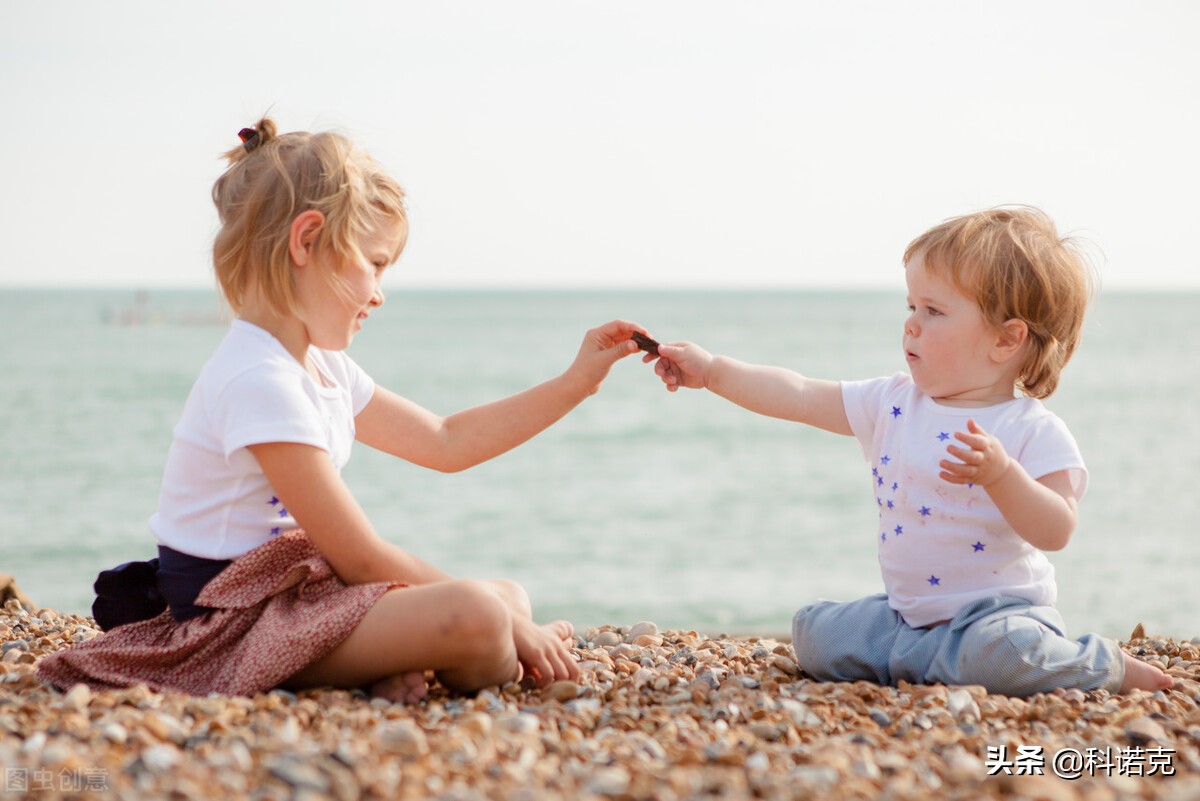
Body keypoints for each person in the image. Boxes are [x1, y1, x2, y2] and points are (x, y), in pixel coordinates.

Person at [37, 118, 647, 703]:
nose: (380, 293)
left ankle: (380, 662)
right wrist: (511, 629)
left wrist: (577, 383)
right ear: (306, 240)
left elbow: (446, 440)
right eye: (374, 264)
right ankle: (366, 666)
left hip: (300, 596)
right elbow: (359, 556)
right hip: (234, 622)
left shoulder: (320, 366)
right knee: (486, 615)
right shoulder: (258, 378)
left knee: (507, 596)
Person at [645, 207, 1173, 697]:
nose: (911, 323)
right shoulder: (894, 402)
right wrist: (712, 372)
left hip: (993, 619)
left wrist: (1001, 474)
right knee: (814, 635)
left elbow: (1056, 530)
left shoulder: (1030, 429)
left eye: (935, 310)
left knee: (1004, 655)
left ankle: (1105, 664)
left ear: (1006, 340)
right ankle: (926, 659)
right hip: (906, 615)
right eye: (912, 306)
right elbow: (800, 394)